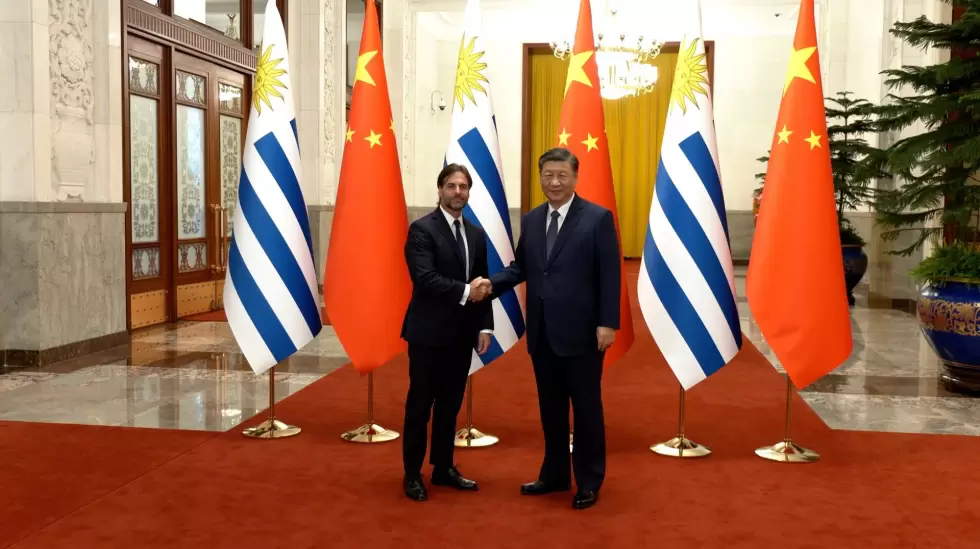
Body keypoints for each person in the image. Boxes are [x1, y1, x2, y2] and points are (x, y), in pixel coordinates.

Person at [486, 147, 620, 510]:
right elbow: (523, 268)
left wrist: (608, 322)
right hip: (543, 333)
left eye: (562, 175)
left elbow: (610, 275)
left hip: (583, 333)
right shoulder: (531, 220)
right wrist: (488, 285)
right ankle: (555, 474)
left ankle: (589, 479)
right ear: (540, 177)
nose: (555, 182)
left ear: (575, 177)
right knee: (551, 408)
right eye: (548, 175)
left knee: (587, 408)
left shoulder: (597, 218)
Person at [400, 163, 493, 502]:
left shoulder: (476, 234)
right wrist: (468, 292)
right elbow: (424, 278)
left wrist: (485, 324)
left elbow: (484, 281)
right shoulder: (422, 229)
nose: (458, 192)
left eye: (463, 186)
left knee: (451, 405)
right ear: (439, 190)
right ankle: (412, 473)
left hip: (462, 334)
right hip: (427, 334)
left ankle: (443, 467)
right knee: (420, 406)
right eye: (451, 186)